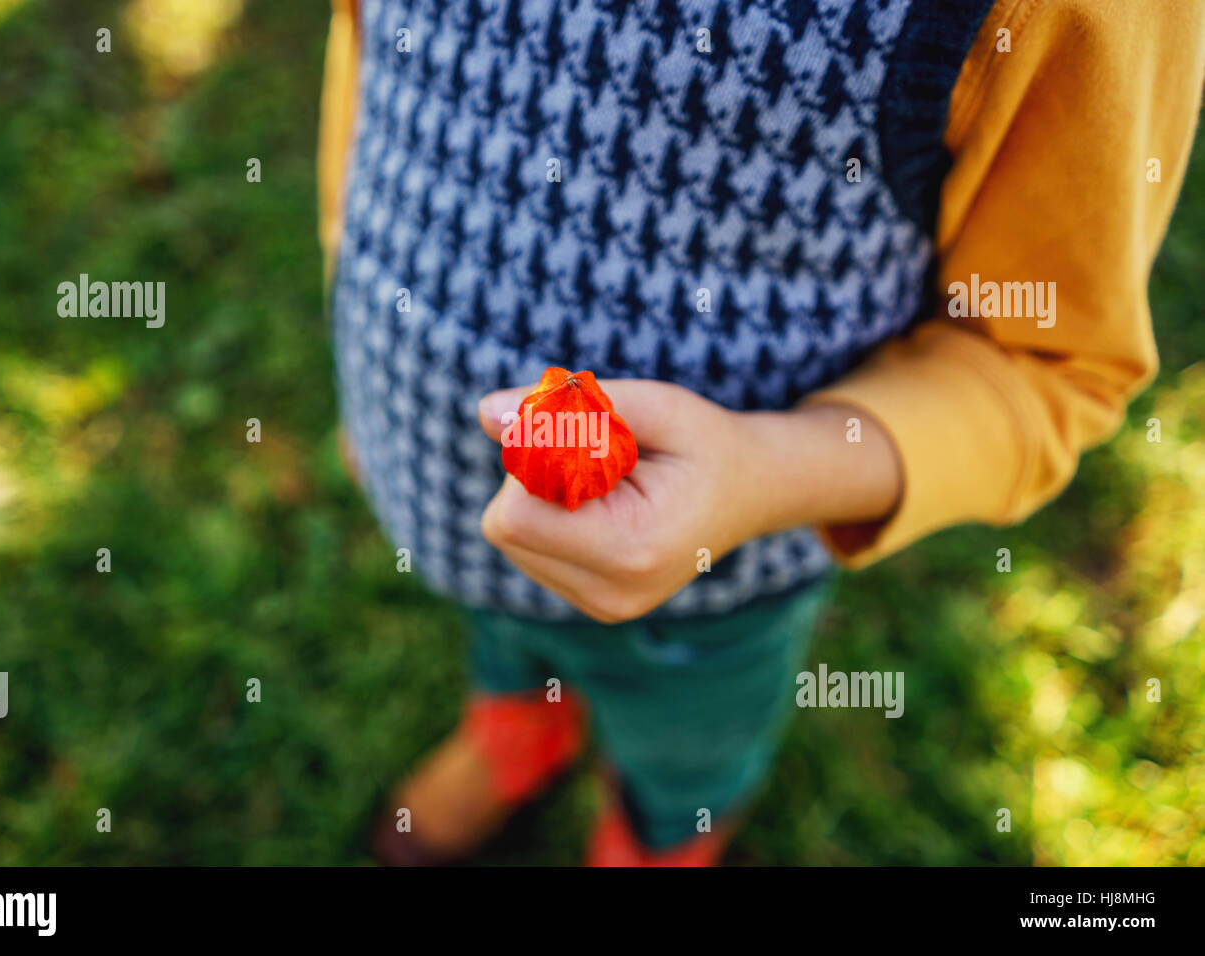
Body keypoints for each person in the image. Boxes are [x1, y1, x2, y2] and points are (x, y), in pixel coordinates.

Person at [316, 0, 1205, 864]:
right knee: (505, 634)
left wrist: (760, 473)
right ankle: (517, 733)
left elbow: (1044, 366)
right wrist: (359, 333)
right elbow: (371, 42)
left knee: (688, 746)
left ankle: (663, 834)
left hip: (712, 593)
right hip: (446, 498)